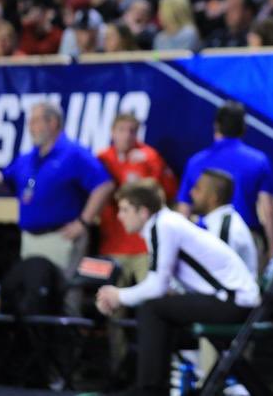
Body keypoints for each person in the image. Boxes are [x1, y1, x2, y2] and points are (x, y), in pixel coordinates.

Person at [94, 180, 263, 396]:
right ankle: (164, 385)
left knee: (152, 309)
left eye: (125, 209)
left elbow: (156, 285)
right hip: (234, 300)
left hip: (233, 301)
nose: (120, 216)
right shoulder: (166, 223)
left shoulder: (163, 225)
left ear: (143, 212)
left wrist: (119, 296)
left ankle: (150, 389)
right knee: (160, 311)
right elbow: (167, 283)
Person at [0, 101, 115, 312]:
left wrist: (83, 222)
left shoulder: (74, 154)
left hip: (63, 239)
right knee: (33, 292)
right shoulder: (29, 158)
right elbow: (4, 183)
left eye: (34, 121)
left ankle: (68, 341)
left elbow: (104, 186)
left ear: (52, 122)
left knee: (66, 294)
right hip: (31, 240)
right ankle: (37, 341)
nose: (30, 127)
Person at [97, 113, 177, 370]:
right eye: (121, 130)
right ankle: (117, 368)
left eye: (132, 130)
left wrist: (145, 172)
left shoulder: (149, 157)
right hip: (112, 247)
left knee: (150, 307)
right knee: (112, 310)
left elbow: (165, 195)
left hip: (143, 248)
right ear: (112, 131)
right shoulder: (102, 159)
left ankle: (149, 369)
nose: (127, 136)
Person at [176, 101, 273, 267]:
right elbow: (268, 210)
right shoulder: (258, 161)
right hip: (245, 240)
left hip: (205, 241)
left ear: (216, 126)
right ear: (244, 128)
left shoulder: (196, 162)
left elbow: (183, 212)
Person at [190, 168, 257, 276]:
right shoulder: (219, 222)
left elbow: (219, 278)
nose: (191, 192)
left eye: (198, 189)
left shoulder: (225, 229)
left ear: (213, 198)